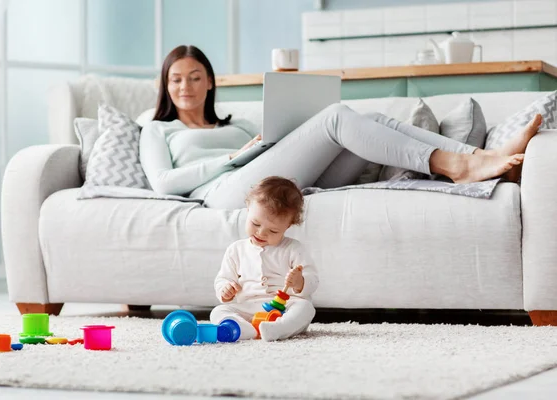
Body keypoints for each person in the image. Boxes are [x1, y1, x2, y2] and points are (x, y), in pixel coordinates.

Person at [139, 45, 542, 209]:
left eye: (194, 77)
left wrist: (263, 144)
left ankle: (481, 157)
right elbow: (163, 183)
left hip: (270, 173)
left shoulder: (241, 123)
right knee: (335, 116)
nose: (185, 86)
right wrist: (233, 157)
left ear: (210, 81)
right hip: (225, 194)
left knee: (371, 121)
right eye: (176, 78)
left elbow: (275, 155)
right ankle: (455, 166)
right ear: (165, 84)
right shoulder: (158, 129)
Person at [210, 176, 318, 341]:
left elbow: (313, 280)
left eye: (273, 231)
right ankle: (242, 328)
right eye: (255, 223)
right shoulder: (236, 250)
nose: (261, 233)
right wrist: (225, 289)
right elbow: (223, 278)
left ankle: (278, 329)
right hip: (247, 307)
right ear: (248, 209)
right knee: (218, 311)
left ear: (287, 226)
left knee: (306, 308)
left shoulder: (294, 249)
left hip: (284, 309)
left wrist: (300, 282)